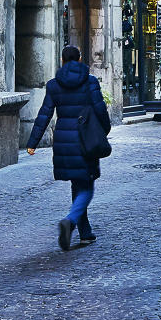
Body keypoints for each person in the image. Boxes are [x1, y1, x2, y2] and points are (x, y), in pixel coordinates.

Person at [26, 44, 111, 250]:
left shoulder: (54, 85)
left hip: (64, 141)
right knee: (87, 187)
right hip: (85, 140)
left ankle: (85, 233)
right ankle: (71, 221)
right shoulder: (90, 81)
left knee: (77, 183)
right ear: (80, 59)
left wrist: (32, 143)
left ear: (63, 60)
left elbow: (44, 114)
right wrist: (103, 131)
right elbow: (100, 110)